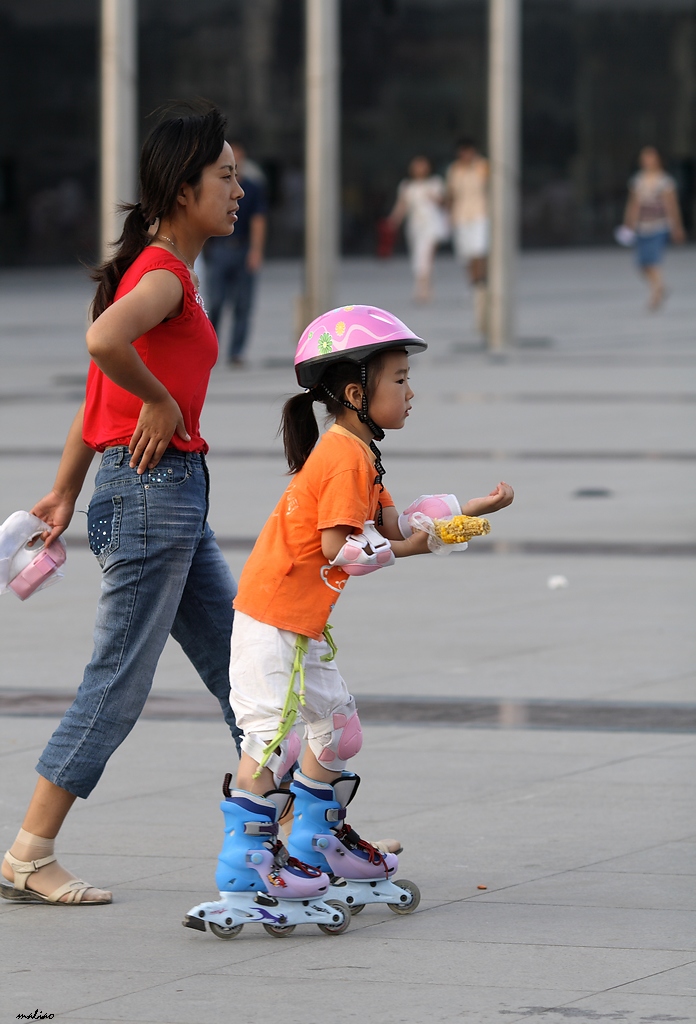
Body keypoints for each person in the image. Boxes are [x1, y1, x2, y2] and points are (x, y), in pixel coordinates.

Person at [0, 106, 245, 907]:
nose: (239, 190)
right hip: (151, 494)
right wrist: (164, 403)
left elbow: (95, 393)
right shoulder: (165, 275)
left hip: (150, 494)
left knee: (249, 670)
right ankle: (29, 853)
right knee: (118, 681)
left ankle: (295, 832)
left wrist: (66, 490)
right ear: (183, 190)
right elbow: (104, 347)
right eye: (226, 177)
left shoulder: (152, 266)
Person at [199, 305, 514, 919]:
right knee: (271, 743)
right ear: (355, 393)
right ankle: (247, 864)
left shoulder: (362, 450)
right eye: (398, 378)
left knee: (339, 730)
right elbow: (337, 545)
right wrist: (409, 548)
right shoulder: (342, 454)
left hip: (302, 623)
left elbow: (393, 521)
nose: (410, 390)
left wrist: (466, 511)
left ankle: (318, 845)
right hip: (275, 620)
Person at [203, 140, 268, 365]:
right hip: (219, 249)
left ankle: (236, 352)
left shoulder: (252, 187)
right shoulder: (212, 187)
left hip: (242, 247)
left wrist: (256, 250)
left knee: (243, 303)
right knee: (216, 302)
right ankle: (209, 348)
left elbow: (258, 219)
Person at [622, 145, 686, 310]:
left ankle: (656, 292)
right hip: (642, 226)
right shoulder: (637, 180)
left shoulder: (665, 181)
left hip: (659, 225)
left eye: (650, 157)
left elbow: (672, 205)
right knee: (642, 264)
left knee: (653, 260)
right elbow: (633, 204)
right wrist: (628, 224)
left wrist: (677, 227)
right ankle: (660, 287)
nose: (647, 161)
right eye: (644, 157)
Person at [387, 156, 448, 302]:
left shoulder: (435, 183)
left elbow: (444, 202)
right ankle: (424, 284)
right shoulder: (407, 186)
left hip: (432, 225)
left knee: (425, 256)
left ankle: (423, 288)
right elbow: (402, 205)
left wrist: (434, 197)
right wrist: (393, 220)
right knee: (418, 256)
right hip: (415, 226)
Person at [446, 137, 489, 335]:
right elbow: (452, 194)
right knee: (467, 256)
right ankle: (474, 288)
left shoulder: (482, 166)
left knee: (479, 251)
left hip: (480, 214)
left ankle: (481, 287)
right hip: (462, 217)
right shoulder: (454, 170)